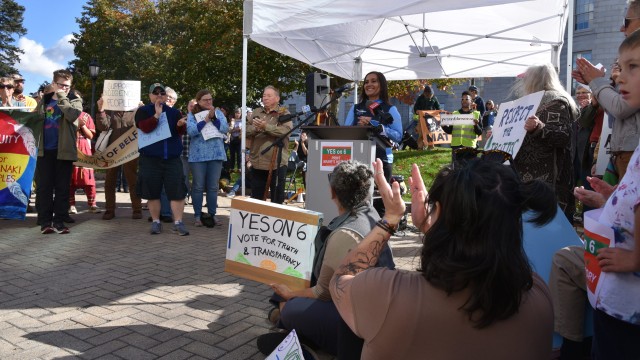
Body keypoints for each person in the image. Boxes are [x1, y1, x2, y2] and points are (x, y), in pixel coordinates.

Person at [328, 157, 556, 359]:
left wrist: (391, 218)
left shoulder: (388, 295)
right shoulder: (539, 299)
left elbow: (342, 279)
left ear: (437, 211)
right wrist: (434, 225)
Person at [257, 160, 395, 358]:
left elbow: (324, 293)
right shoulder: (372, 215)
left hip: (356, 321)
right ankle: (294, 327)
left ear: (333, 192)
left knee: (289, 304)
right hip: (372, 309)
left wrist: (290, 294)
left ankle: (298, 336)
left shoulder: (345, 233)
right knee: (292, 285)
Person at [586, 30, 640, 359]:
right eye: (621, 66)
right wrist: (612, 200)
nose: (620, 76)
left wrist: (636, 259)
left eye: (634, 66)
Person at [513, 63, 577, 221]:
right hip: (528, 180)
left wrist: (539, 128)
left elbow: (563, 136)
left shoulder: (556, 102)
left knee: (547, 227)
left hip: (547, 182)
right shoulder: (527, 103)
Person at [135, 83, 189, 236]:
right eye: (155, 92)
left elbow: (180, 131)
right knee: (153, 192)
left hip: (172, 159)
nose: (159, 95)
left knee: (177, 191)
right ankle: (156, 222)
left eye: (162, 93)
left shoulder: (174, 112)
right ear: (150, 95)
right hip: (150, 159)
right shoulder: (142, 111)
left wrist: (180, 125)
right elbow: (145, 128)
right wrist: (157, 115)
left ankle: (178, 222)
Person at [35, 69, 83, 234]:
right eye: (61, 85)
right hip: (45, 151)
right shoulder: (45, 100)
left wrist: (62, 96)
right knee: (44, 188)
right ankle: (45, 223)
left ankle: (60, 222)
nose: (65, 88)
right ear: (54, 84)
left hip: (63, 151)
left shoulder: (75, 99)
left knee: (62, 188)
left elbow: (72, 115)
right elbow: (35, 120)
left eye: (68, 85)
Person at [344, 71, 403, 182]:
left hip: (382, 160)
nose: (369, 84)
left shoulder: (390, 109)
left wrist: (377, 125)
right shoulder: (355, 108)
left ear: (382, 85)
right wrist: (359, 127)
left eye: (374, 81)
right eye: (366, 82)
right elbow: (346, 131)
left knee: (380, 198)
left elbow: (398, 136)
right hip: (357, 159)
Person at [95, 96, 143, 220]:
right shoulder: (111, 110)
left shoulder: (136, 110)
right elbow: (103, 127)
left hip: (130, 152)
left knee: (133, 180)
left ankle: (137, 209)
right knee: (110, 181)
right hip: (112, 151)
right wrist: (100, 110)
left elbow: (142, 126)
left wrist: (143, 110)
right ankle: (109, 210)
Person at [186, 89, 228, 228]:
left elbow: (224, 128)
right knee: (198, 186)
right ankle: (197, 215)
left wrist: (214, 118)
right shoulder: (192, 114)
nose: (209, 102)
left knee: (212, 186)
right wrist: (205, 120)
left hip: (216, 154)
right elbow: (192, 131)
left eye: (210, 99)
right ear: (198, 101)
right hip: (198, 155)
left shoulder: (218, 113)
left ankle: (212, 214)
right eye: (205, 100)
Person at [246, 85, 291, 204]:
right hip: (258, 161)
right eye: (264, 95)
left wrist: (266, 127)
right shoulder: (256, 112)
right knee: (257, 198)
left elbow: (286, 131)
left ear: (277, 98)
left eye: (269, 96)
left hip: (277, 162)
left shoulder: (283, 112)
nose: (265, 98)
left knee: (277, 198)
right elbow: (244, 130)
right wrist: (255, 129)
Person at [68, 111, 101, 214]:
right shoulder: (66, 114)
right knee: (70, 179)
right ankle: (71, 205)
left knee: (89, 179)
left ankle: (92, 204)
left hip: (84, 149)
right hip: (69, 148)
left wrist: (82, 125)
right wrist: (76, 125)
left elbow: (91, 136)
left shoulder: (86, 116)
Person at [442, 91, 482, 162]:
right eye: (462, 99)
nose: (464, 101)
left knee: (470, 170)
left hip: (470, 147)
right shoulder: (455, 114)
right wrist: (443, 126)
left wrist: (475, 125)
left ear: (471, 101)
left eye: (466, 99)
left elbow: (479, 132)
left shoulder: (476, 114)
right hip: (456, 147)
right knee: (456, 170)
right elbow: (450, 131)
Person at [228, 108, 242, 172]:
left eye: (238, 113)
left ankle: (239, 168)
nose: (237, 114)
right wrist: (235, 130)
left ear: (241, 114)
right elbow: (228, 131)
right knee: (232, 154)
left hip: (239, 139)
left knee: (239, 154)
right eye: (236, 113)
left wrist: (240, 130)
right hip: (232, 138)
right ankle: (231, 167)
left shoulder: (242, 121)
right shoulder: (232, 121)